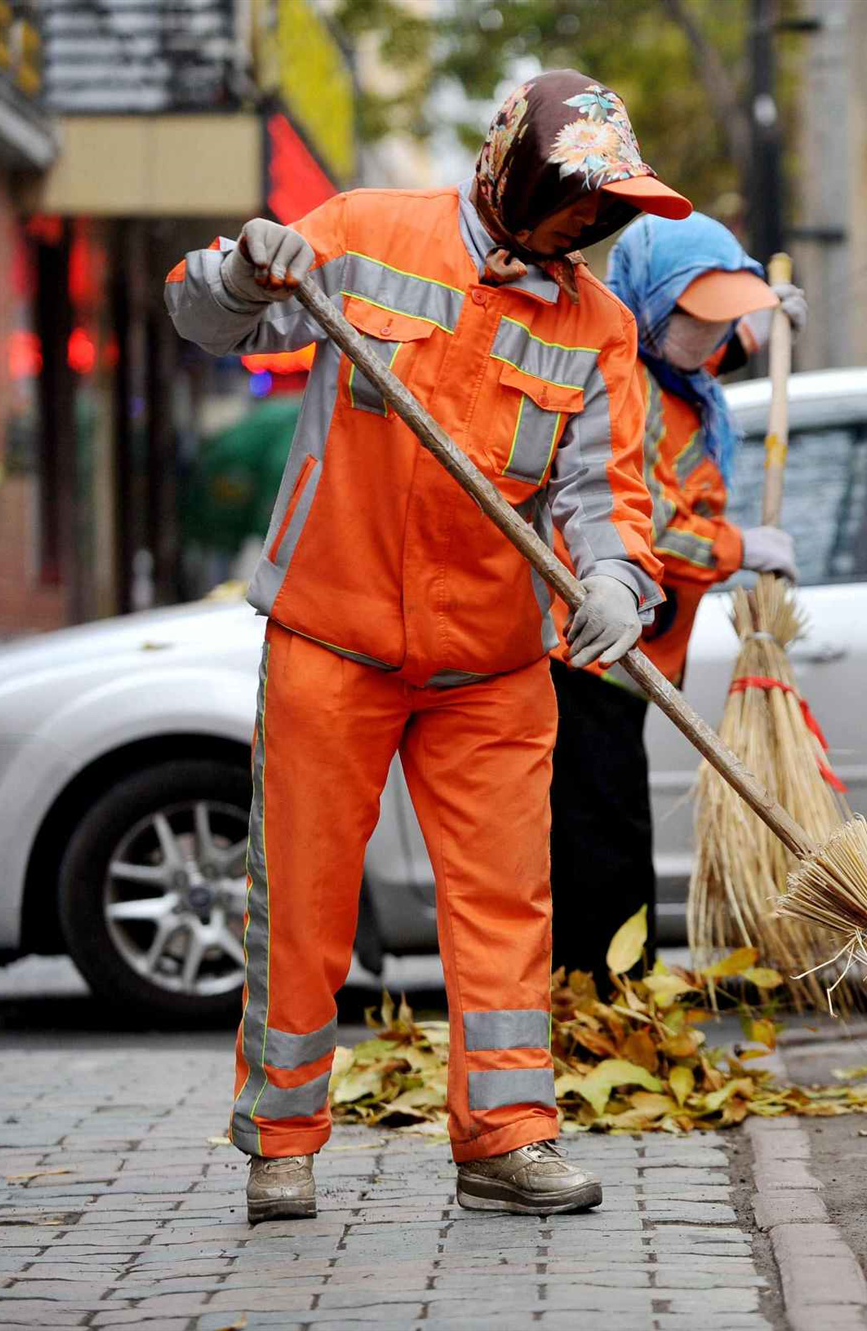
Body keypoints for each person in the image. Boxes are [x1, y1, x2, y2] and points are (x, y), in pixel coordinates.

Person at [163, 70, 690, 1223]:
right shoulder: (360, 233)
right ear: (510, 177)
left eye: (602, 212)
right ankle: (283, 1141)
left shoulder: (595, 326)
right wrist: (247, 267)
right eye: (573, 202)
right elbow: (204, 320)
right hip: (331, 634)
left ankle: (507, 1135)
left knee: (509, 901)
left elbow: (609, 496)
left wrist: (613, 580)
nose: (585, 228)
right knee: (300, 901)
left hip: (491, 667)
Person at [546, 213, 806, 978]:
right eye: (701, 315)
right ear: (654, 311)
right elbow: (642, 531)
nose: (715, 336)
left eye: (727, 316)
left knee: (611, 826)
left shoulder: (672, 366)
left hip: (631, 656)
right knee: (604, 837)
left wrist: (768, 323)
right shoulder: (625, 384)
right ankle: (606, 1000)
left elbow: (710, 351)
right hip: (587, 649)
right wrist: (737, 548)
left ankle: (612, 994)